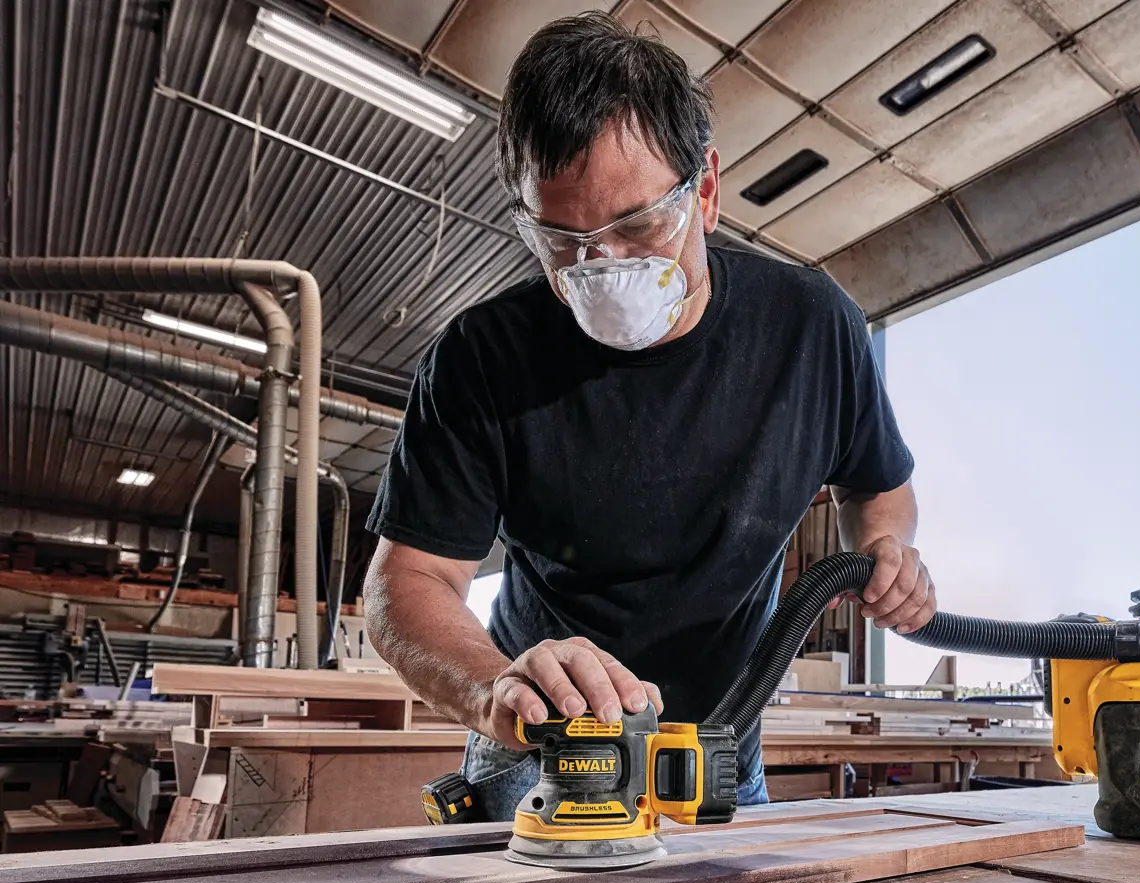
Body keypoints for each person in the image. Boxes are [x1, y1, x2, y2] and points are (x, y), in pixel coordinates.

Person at [363, 13, 936, 816]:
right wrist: (495, 687)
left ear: (706, 190)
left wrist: (883, 549)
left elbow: (878, 486)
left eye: (637, 225)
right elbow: (406, 582)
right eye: (563, 241)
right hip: (546, 748)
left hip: (720, 743)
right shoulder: (481, 358)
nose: (604, 268)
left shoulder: (810, 327)